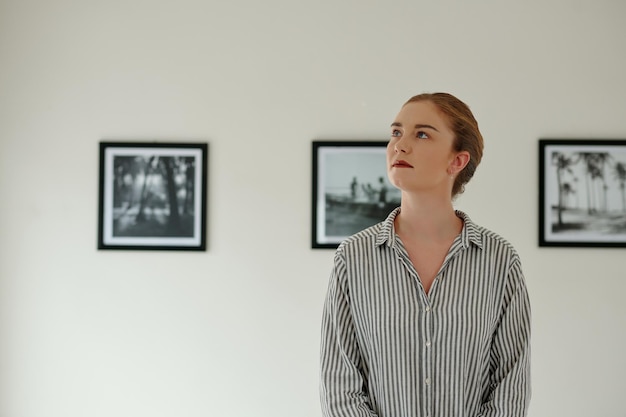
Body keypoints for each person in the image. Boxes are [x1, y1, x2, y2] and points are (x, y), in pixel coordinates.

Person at [319, 92, 531, 417]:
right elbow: (339, 388)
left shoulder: (500, 261)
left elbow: (510, 387)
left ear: (457, 161)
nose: (400, 145)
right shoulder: (353, 257)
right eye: (396, 132)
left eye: (421, 134)